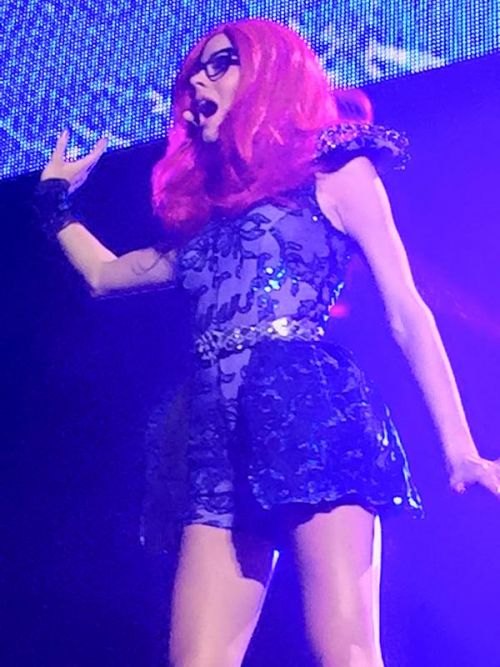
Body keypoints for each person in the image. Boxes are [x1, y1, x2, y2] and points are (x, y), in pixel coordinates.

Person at [35, 17, 500, 667]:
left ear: (269, 74)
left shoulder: (336, 176)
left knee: (346, 651)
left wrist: (461, 450)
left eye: (220, 64)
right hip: (217, 439)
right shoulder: (204, 231)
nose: (197, 82)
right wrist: (54, 201)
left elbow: (406, 310)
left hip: (313, 419)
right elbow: (104, 275)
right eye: (193, 73)